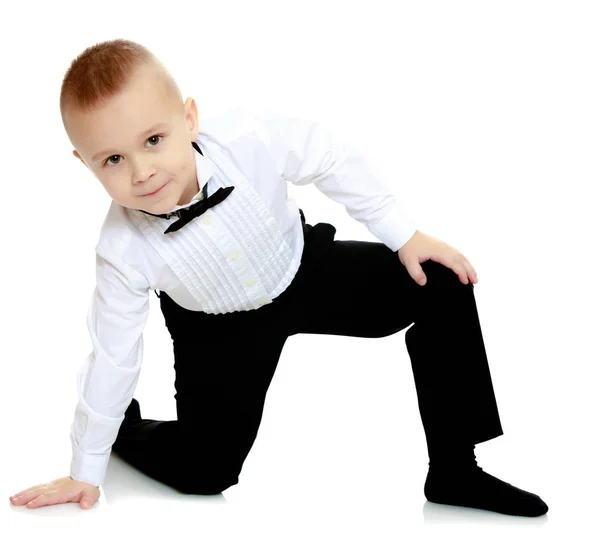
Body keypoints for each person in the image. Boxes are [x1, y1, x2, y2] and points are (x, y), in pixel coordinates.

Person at [8, 38, 548, 517]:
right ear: (85, 165)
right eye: (112, 160)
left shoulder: (247, 136)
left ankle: (455, 468)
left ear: (189, 119)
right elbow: (113, 352)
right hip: (216, 328)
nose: (141, 172)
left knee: (441, 281)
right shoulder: (121, 250)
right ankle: (129, 431)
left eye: (153, 140)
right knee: (204, 473)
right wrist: (86, 466)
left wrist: (405, 235)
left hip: (300, 268)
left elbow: (332, 159)